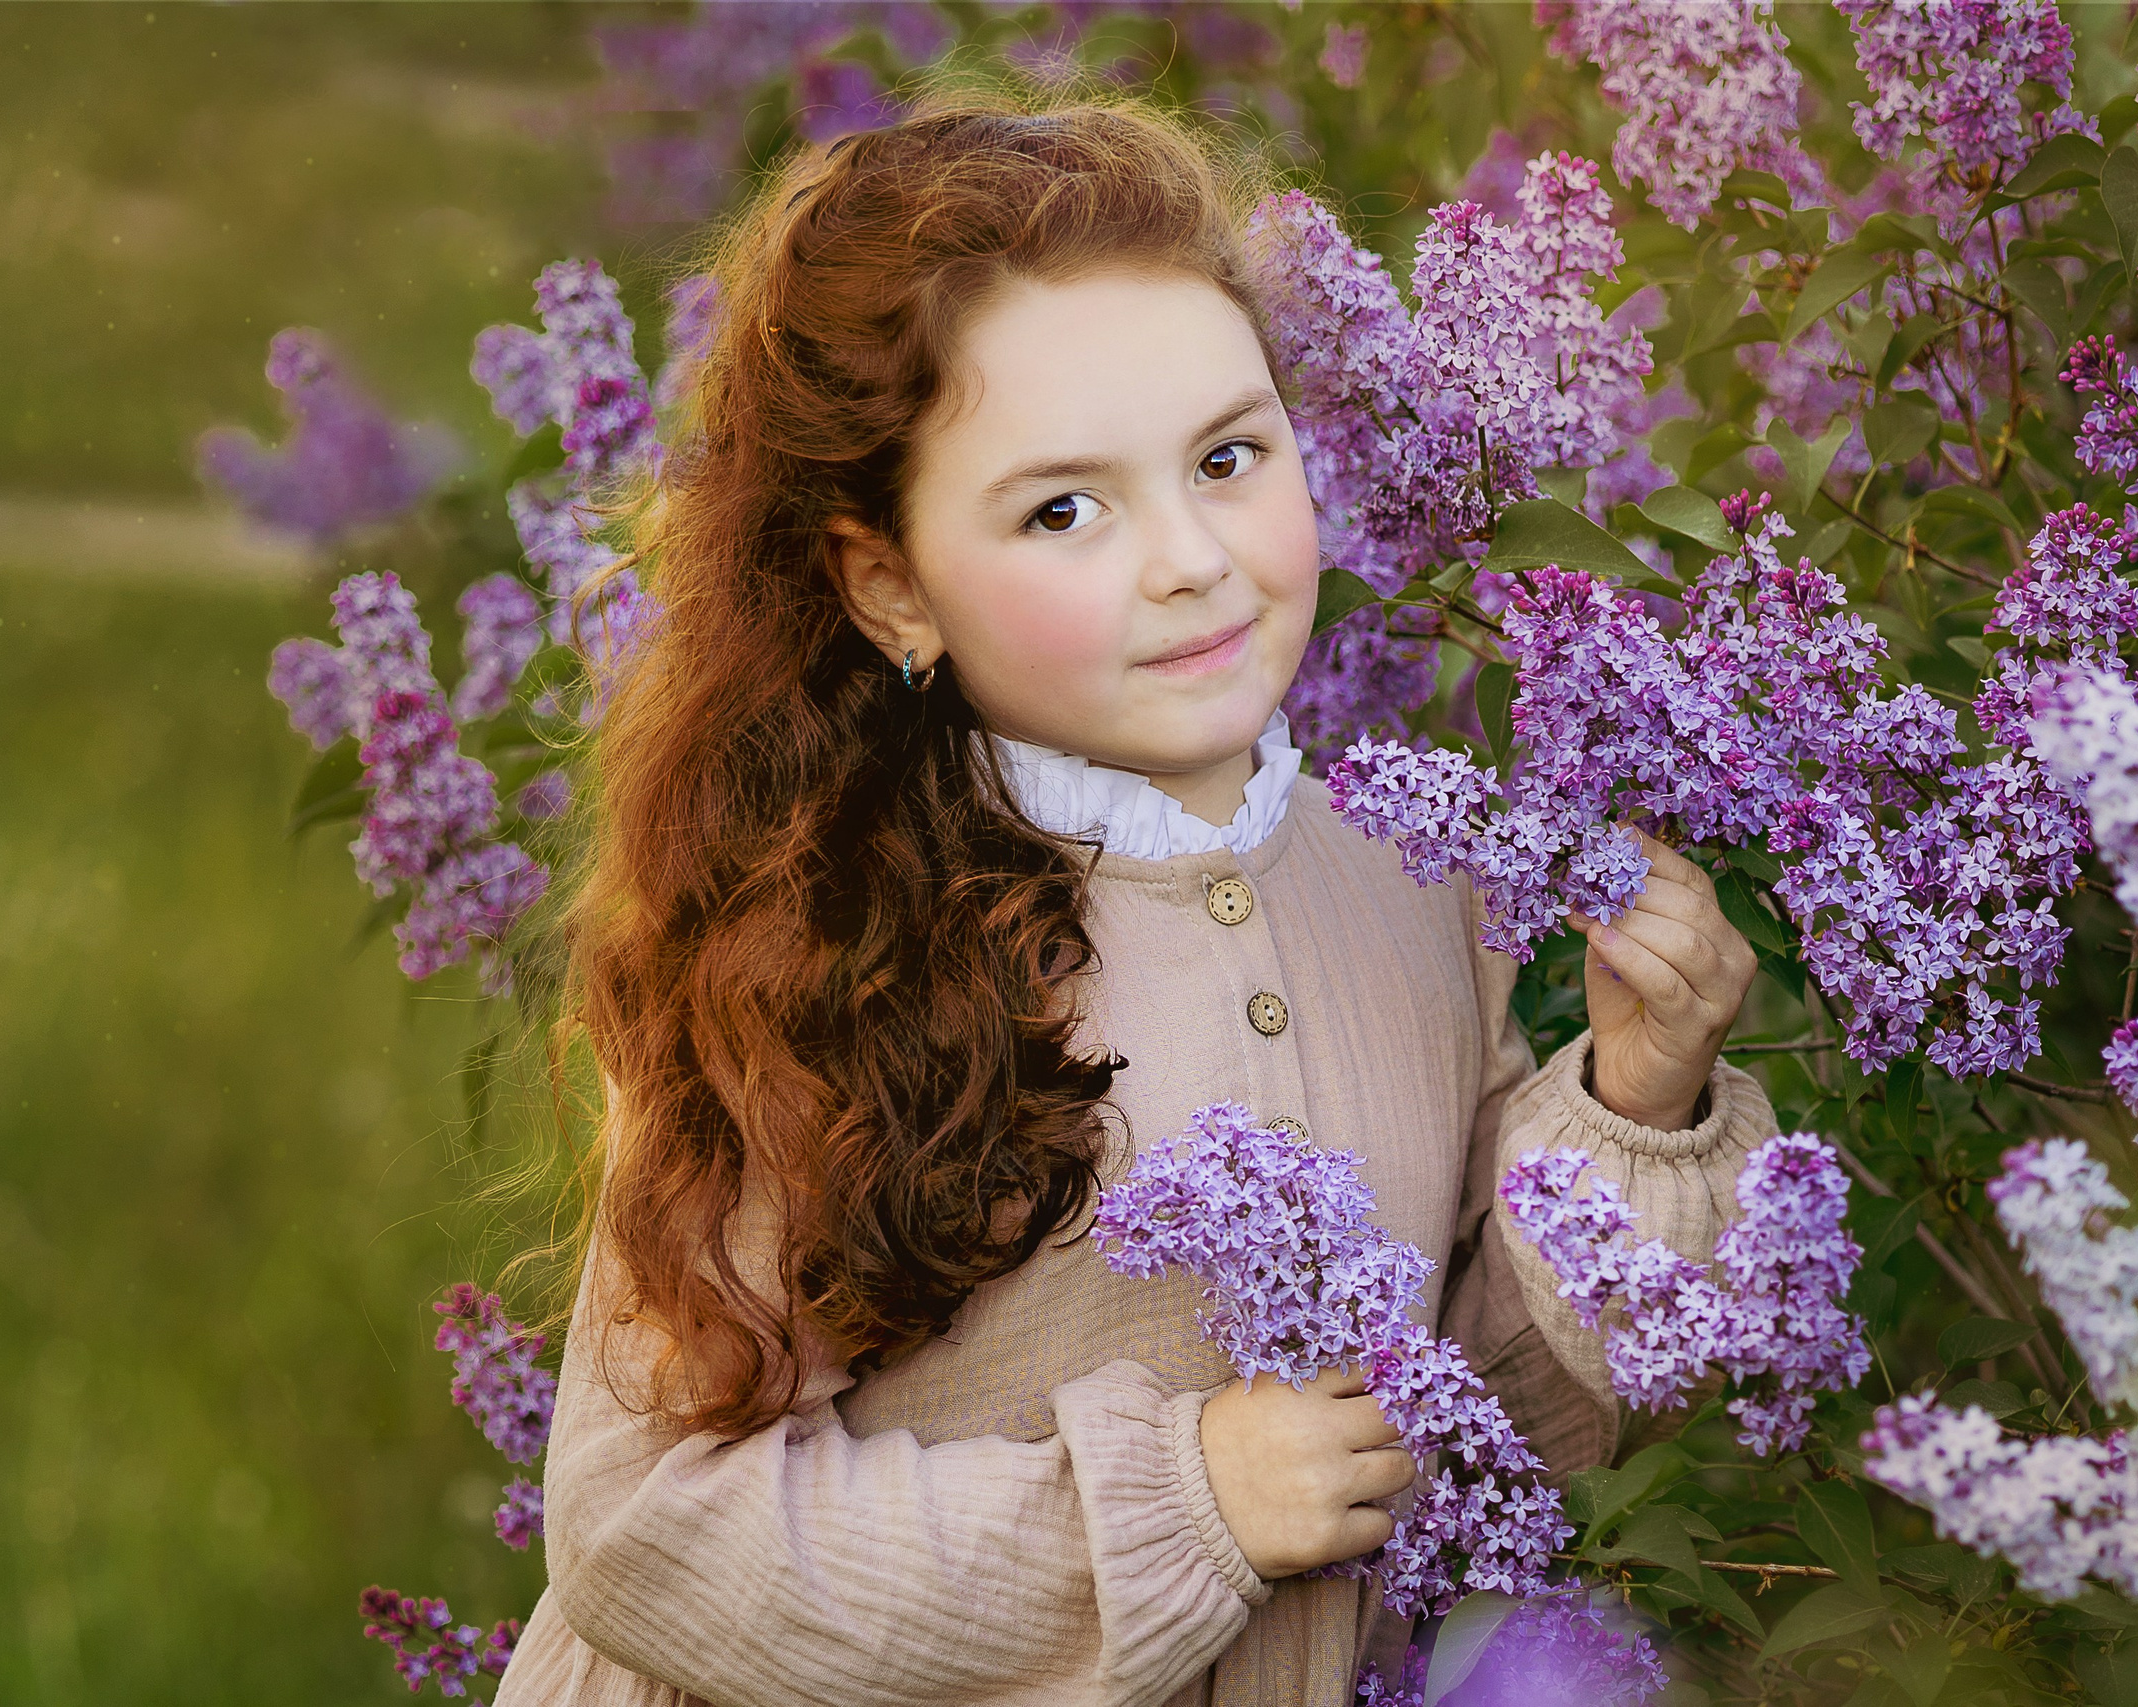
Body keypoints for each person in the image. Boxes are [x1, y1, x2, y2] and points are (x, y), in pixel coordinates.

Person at [495, 86, 1771, 1707]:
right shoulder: (821, 934)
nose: (1189, 558)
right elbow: (651, 1526)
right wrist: (1191, 1506)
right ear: (890, 584)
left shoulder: (1402, 874)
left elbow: (1457, 1427)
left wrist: (1632, 1101)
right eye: (1065, 508)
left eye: (1230, 457)